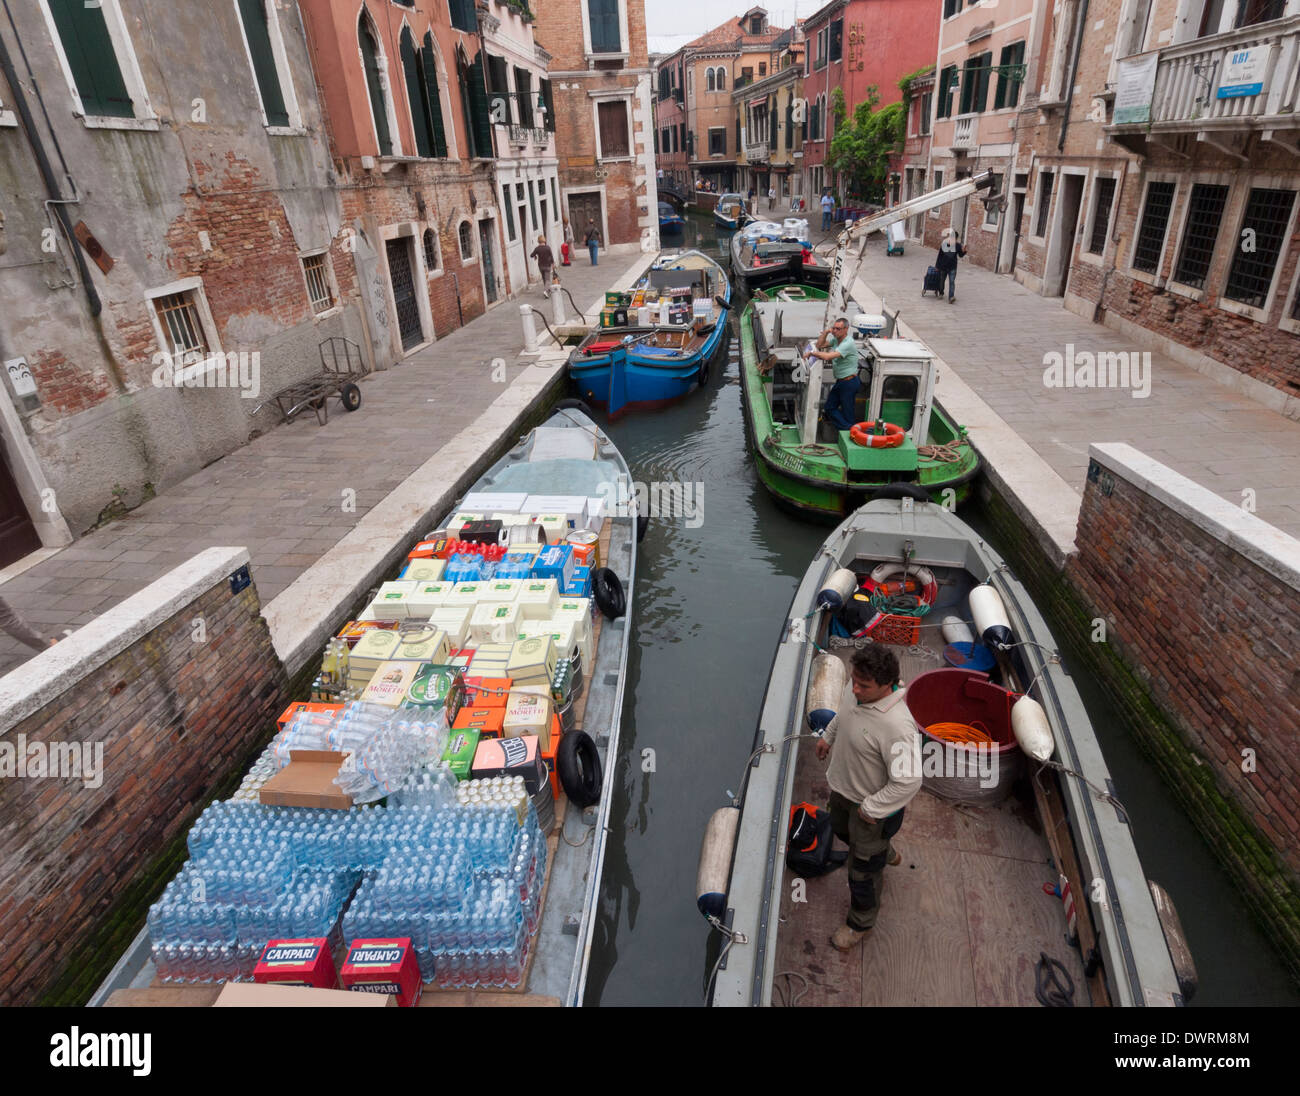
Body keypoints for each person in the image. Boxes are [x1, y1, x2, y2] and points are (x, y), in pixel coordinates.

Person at [814, 646, 921, 951]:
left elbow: (909, 781)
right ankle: (882, 851)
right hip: (844, 792)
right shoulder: (857, 687)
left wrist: (871, 807)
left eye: (863, 685)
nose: (854, 688)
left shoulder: (898, 727)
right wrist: (829, 736)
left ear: (887, 685)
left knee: (862, 871)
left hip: (870, 811)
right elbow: (845, 712)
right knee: (839, 829)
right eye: (853, 680)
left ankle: (860, 922)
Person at [808, 316, 860, 432]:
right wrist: (826, 332)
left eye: (838, 329)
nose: (835, 331)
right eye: (834, 328)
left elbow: (827, 356)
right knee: (829, 407)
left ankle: (850, 432)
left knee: (848, 414)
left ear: (846, 329)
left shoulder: (848, 343)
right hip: (841, 381)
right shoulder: (836, 340)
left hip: (849, 383)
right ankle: (849, 430)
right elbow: (819, 345)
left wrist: (811, 354)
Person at [935, 228, 966, 303]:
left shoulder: (958, 245)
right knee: (942, 281)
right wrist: (937, 266)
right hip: (943, 266)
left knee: (952, 282)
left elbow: (960, 255)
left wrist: (964, 251)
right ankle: (941, 293)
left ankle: (951, 297)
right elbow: (940, 255)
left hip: (952, 267)